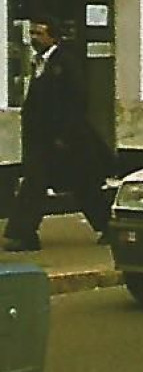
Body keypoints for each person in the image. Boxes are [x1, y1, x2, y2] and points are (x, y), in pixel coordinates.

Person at [4, 16, 113, 251]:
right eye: (32, 33)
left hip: (63, 137)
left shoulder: (64, 63)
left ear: (52, 37)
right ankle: (24, 232)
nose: (34, 38)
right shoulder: (39, 62)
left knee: (70, 184)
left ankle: (23, 233)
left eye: (39, 34)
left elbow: (75, 100)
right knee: (69, 183)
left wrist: (64, 135)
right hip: (43, 137)